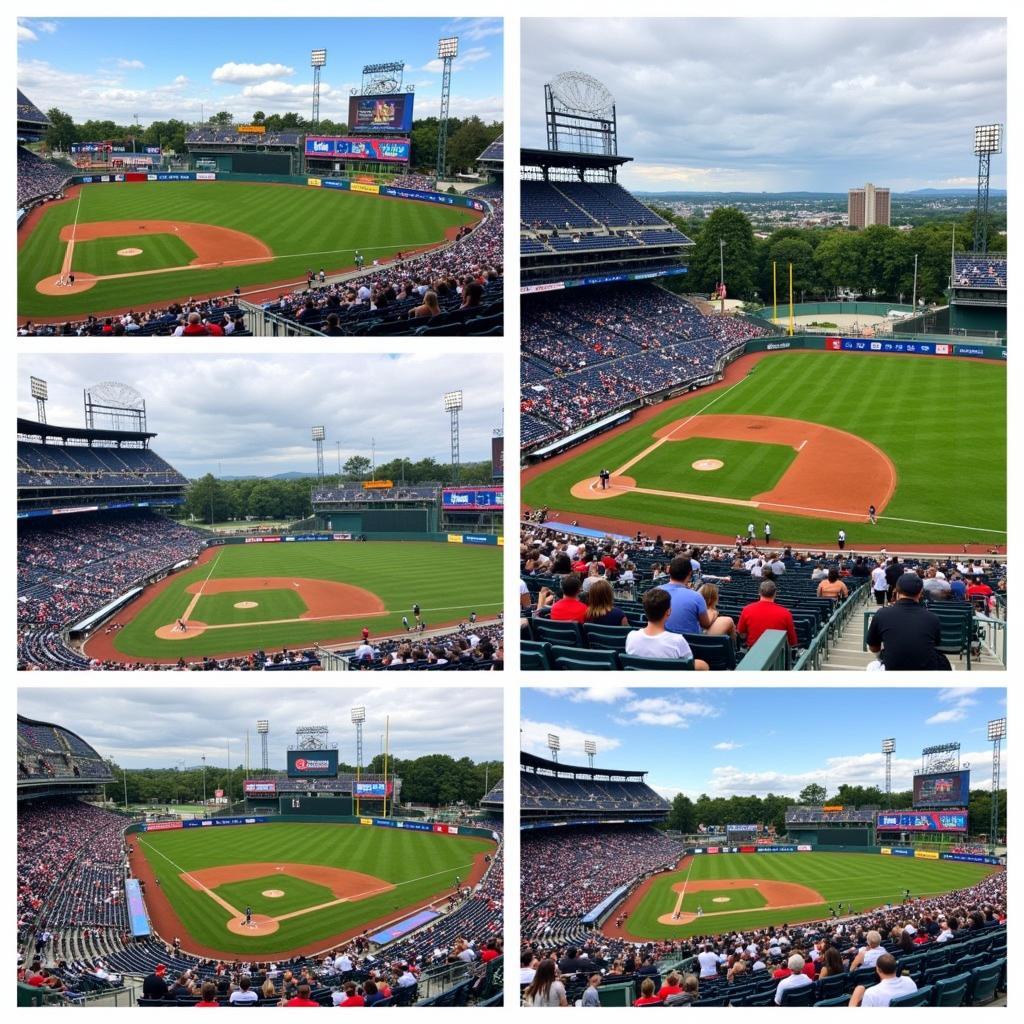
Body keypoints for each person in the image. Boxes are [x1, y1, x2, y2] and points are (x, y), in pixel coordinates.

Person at [866, 572, 950, 670]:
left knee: (872, 666)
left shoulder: (881, 614)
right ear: (920, 592)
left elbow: (873, 647)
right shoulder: (932, 618)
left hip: (892, 669)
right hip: (924, 670)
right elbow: (935, 643)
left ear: (897, 591)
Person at [624, 587, 708, 668]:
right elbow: (688, 666)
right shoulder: (677, 641)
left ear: (645, 611)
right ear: (668, 612)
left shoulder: (631, 636)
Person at [737, 580, 797, 649]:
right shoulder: (786, 613)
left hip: (753, 651)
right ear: (775, 593)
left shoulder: (747, 609)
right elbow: (792, 641)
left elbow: (741, 634)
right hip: (778, 654)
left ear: (759, 592)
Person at [663, 555, 711, 634]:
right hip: (690, 644)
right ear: (689, 574)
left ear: (669, 571)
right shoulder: (696, 597)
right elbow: (705, 624)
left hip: (660, 641)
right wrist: (713, 613)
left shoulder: (655, 591)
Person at [850, 953, 917, 1006]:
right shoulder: (910, 981)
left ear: (878, 970)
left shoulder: (871, 993)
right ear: (895, 968)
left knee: (859, 990)